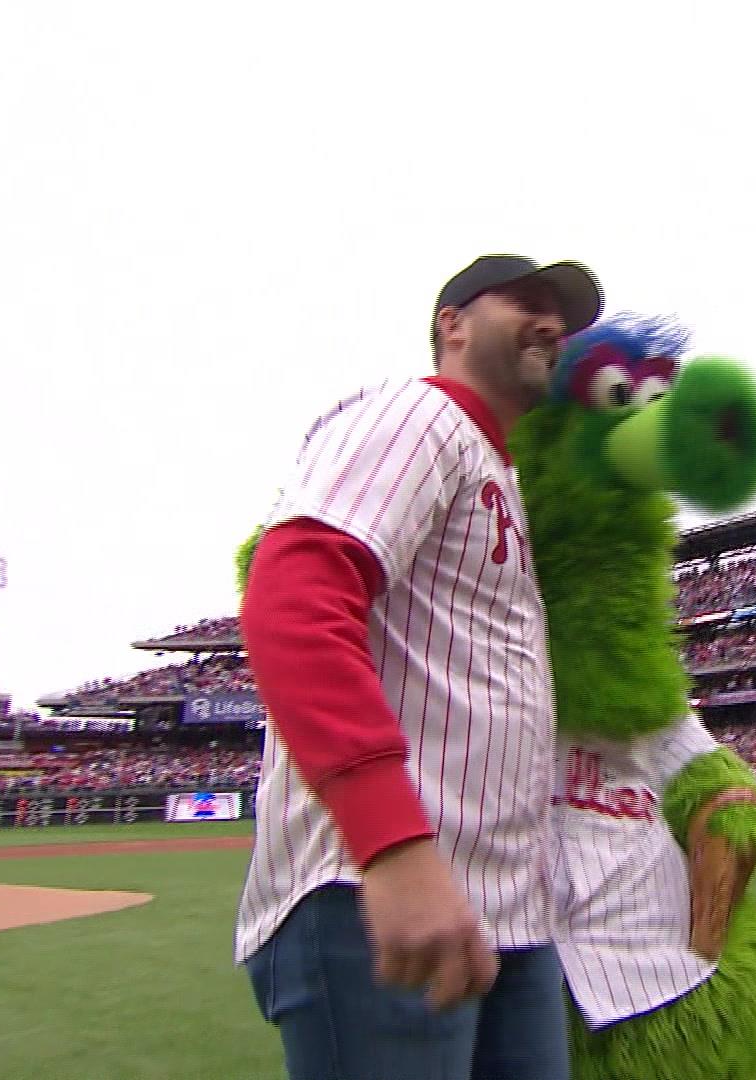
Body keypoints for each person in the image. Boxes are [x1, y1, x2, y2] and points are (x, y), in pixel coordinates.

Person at [233, 254, 604, 1080]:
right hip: (375, 887)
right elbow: (294, 595)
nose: (553, 324)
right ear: (454, 323)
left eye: (562, 314)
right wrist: (391, 846)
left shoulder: (496, 471)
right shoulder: (416, 416)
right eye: (530, 302)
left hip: (504, 914)